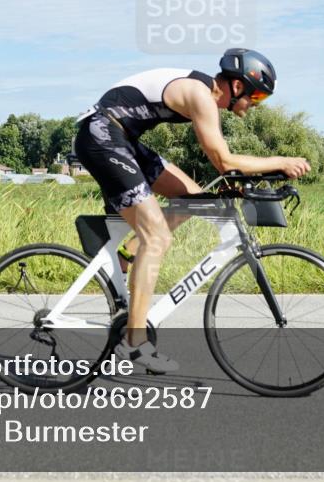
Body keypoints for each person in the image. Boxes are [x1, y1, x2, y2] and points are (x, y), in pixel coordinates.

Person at [73, 48, 311, 373]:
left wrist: (240, 183)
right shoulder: (201, 95)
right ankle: (134, 343)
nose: (255, 104)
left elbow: (225, 168)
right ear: (238, 86)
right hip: (102, 137)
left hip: (122, 138)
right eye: (256, 95)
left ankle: (128, 255)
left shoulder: (203, 93)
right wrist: (282, 162)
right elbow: (224, 161)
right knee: (157, 237)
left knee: (196, 199)